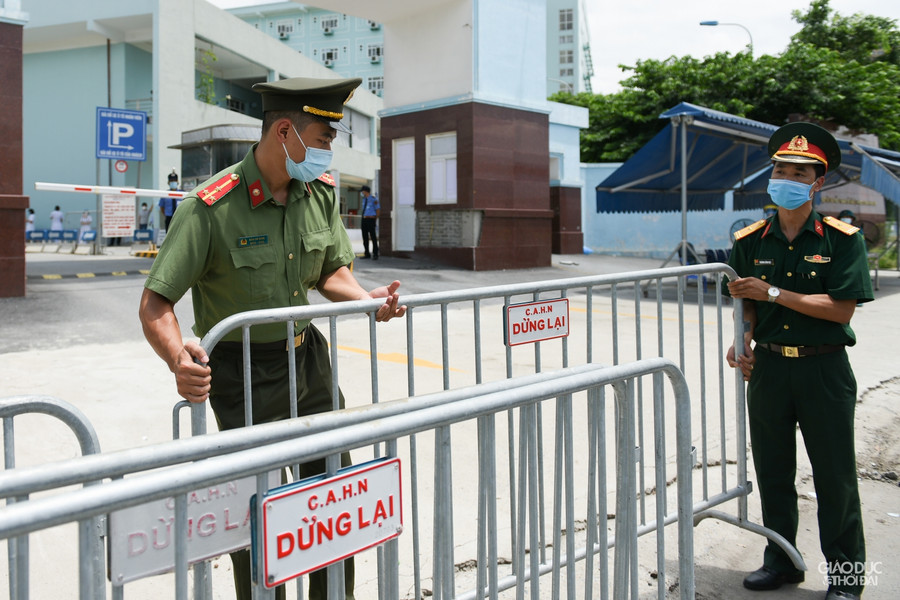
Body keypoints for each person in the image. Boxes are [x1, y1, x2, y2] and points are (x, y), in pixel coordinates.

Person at [139, 76, 406, 600]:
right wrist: (177, 357)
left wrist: (366, 299)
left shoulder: (318, 194)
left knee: (333, 497)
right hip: (241, 373)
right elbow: (156, 303)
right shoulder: (210, 207)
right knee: (257, 512)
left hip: (308, 364)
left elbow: (331, 272)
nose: (328, 153)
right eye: (323, 140)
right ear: (285, 132)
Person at [725, 122, 873, 600]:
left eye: (799, 172)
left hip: (823, 369)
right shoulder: (749, 239)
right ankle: (782, 561)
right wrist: (742, 337)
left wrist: (773, 292)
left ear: (818, 182)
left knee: (834, 477)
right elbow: (745, 302)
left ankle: (846, 579)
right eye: (780, 170)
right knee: (772, 472)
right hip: (768, 370)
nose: (786, 179)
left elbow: (840, 309)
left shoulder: (841, 239)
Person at [359, 184, 380, 259]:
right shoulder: (364, 199)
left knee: (373, 237)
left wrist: (375, 218)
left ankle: (375, 254)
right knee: (365, 237)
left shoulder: (374, 199)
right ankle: (367, 253)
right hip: (364, 219)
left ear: (365, 191)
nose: (362, 193)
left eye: (362, 191)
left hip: (371, 220)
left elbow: (378, 210)